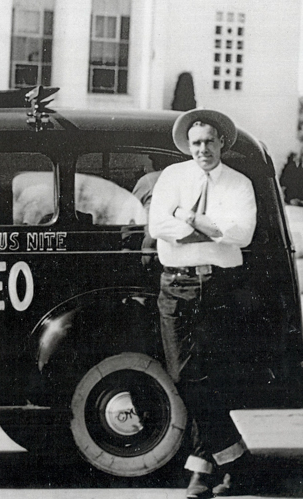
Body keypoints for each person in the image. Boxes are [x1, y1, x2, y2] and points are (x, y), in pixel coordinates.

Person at [149, 109, 257, 498]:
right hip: (176, 288)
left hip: (221, 289)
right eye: (196, 143)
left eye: (210, 141)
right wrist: (209, 227)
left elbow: (241, 233)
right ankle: (236, 460)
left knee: (214, 378)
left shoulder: (239, 183)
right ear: (187, 146)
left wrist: (187, 217)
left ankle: (201, 471)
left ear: (222, 142)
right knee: (183, 376)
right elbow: (158, 226)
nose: (203, 149)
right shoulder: (172, 177)